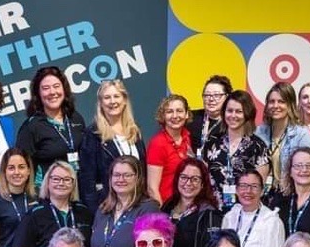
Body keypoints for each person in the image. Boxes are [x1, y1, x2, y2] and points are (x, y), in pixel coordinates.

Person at [11, 160, 93, 247]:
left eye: (67, 179)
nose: (61, 183)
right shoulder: (35, 215)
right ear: (47, 182)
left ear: (73, 184)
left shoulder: (84, 212)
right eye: (56, 179)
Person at [89, 156, 159, 247]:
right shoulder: (103, 209)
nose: (121, 179)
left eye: (127, 175)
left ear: (138, 178)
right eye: (116, 175)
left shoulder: (148, 209)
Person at [78, 79, 145, 210]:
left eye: (116, 96)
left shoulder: (134, 131)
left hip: (137, 203)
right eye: (107, 97)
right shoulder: (93, 134)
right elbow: (87, 180)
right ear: (100, 103)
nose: (112, 101)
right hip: (108, 206)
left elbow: (143, 171)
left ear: (124, 100)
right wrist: (96, 211)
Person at [16, 66, 85, 185]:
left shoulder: (75, 117)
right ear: (38, 93)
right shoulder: (31, 127)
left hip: (79, 188)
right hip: (49, 191)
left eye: (56, 86)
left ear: (64, 89)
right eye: (46, 88)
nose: (52, 92)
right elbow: (22, 168)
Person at [201, 90, 269, 211]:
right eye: (229, 110)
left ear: (247, 114)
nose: (233, 115)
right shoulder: (212, 142)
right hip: (213, 211)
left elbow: (259, 187)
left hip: (245, 212)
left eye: (239, 111)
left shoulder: (258, 146)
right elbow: (203, 178)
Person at [161, 158, 222, 247]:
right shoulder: (167, 206)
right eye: (184, 177)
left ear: (203, 184)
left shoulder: (209, 214)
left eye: (195, 179)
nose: (188, 183)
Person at [221, 170, 284, 247]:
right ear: (236, 190)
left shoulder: (271, 221)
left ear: (262, 191)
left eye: (254, 186)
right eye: (243, 186)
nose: (248, 191)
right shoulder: (230, 217)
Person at [256, 82, 310, 194]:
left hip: (291, 194)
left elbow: (308, 171)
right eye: (272, 101)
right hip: (263, 195)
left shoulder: (302, 134)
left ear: (290, 105)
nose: (275, 105)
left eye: (281, 101)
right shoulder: (259, 132)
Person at [146, 94, 194, 205]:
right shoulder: (158, 143)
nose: (175, 116)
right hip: (167, 208)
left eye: (179, 111)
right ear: (163, 116)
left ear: (186, 114)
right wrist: (162, 214)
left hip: (186, 207)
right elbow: (152, 188)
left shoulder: (187, 138)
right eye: (169, 112)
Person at [188, 74, 232, 155]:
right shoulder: (190, 118)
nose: (211, 99)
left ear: (227, 97)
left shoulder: (232, 123)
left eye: (217, 95)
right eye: (207, 95)